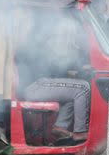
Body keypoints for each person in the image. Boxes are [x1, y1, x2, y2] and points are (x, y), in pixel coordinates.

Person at [16, 14, 93, 144]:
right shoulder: (52, 45)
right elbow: (58, 68)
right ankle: (80, 132)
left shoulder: (51, 44)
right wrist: (81, 67)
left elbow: (60, 72)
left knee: (73, 94)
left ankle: (60, 127)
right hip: (36, 86)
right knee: (83, 88)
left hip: (39, 85)